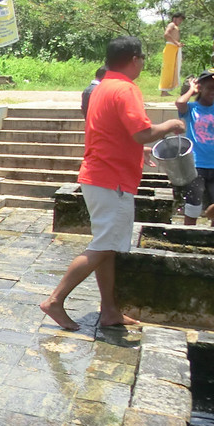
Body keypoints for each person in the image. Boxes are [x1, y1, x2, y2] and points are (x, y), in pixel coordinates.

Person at [41, 36, 185, 331]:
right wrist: (171, 125)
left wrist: (138, 151)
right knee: (105, 245)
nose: (143, 63)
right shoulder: (126, 89)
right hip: (112, 181)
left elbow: (113, 132)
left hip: (99, 175)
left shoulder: (103, 87)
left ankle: (109, 310)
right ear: (134, 59)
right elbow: (143, 131)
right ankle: (55, 300)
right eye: (142, 58)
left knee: (107, 245)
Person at [176, 71, 214, 225]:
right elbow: (180, 103)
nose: (212, 92)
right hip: (196, 164)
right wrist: (191, 89)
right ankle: (187, 234)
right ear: (200, 88)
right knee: (193, 203)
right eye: (209, 88)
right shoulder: (192, 109)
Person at [160, 12, 185, 96]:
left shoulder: (175, 26)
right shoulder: (171, 25)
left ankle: (167, 89)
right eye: (180, 19)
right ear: (175, 18)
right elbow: (166, 34)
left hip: (174, 47)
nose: (180, 21)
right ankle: (163, 91)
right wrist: (176, 43)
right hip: (170, 47)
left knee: (173, 69)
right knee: (168, 69)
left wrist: (178, 44)